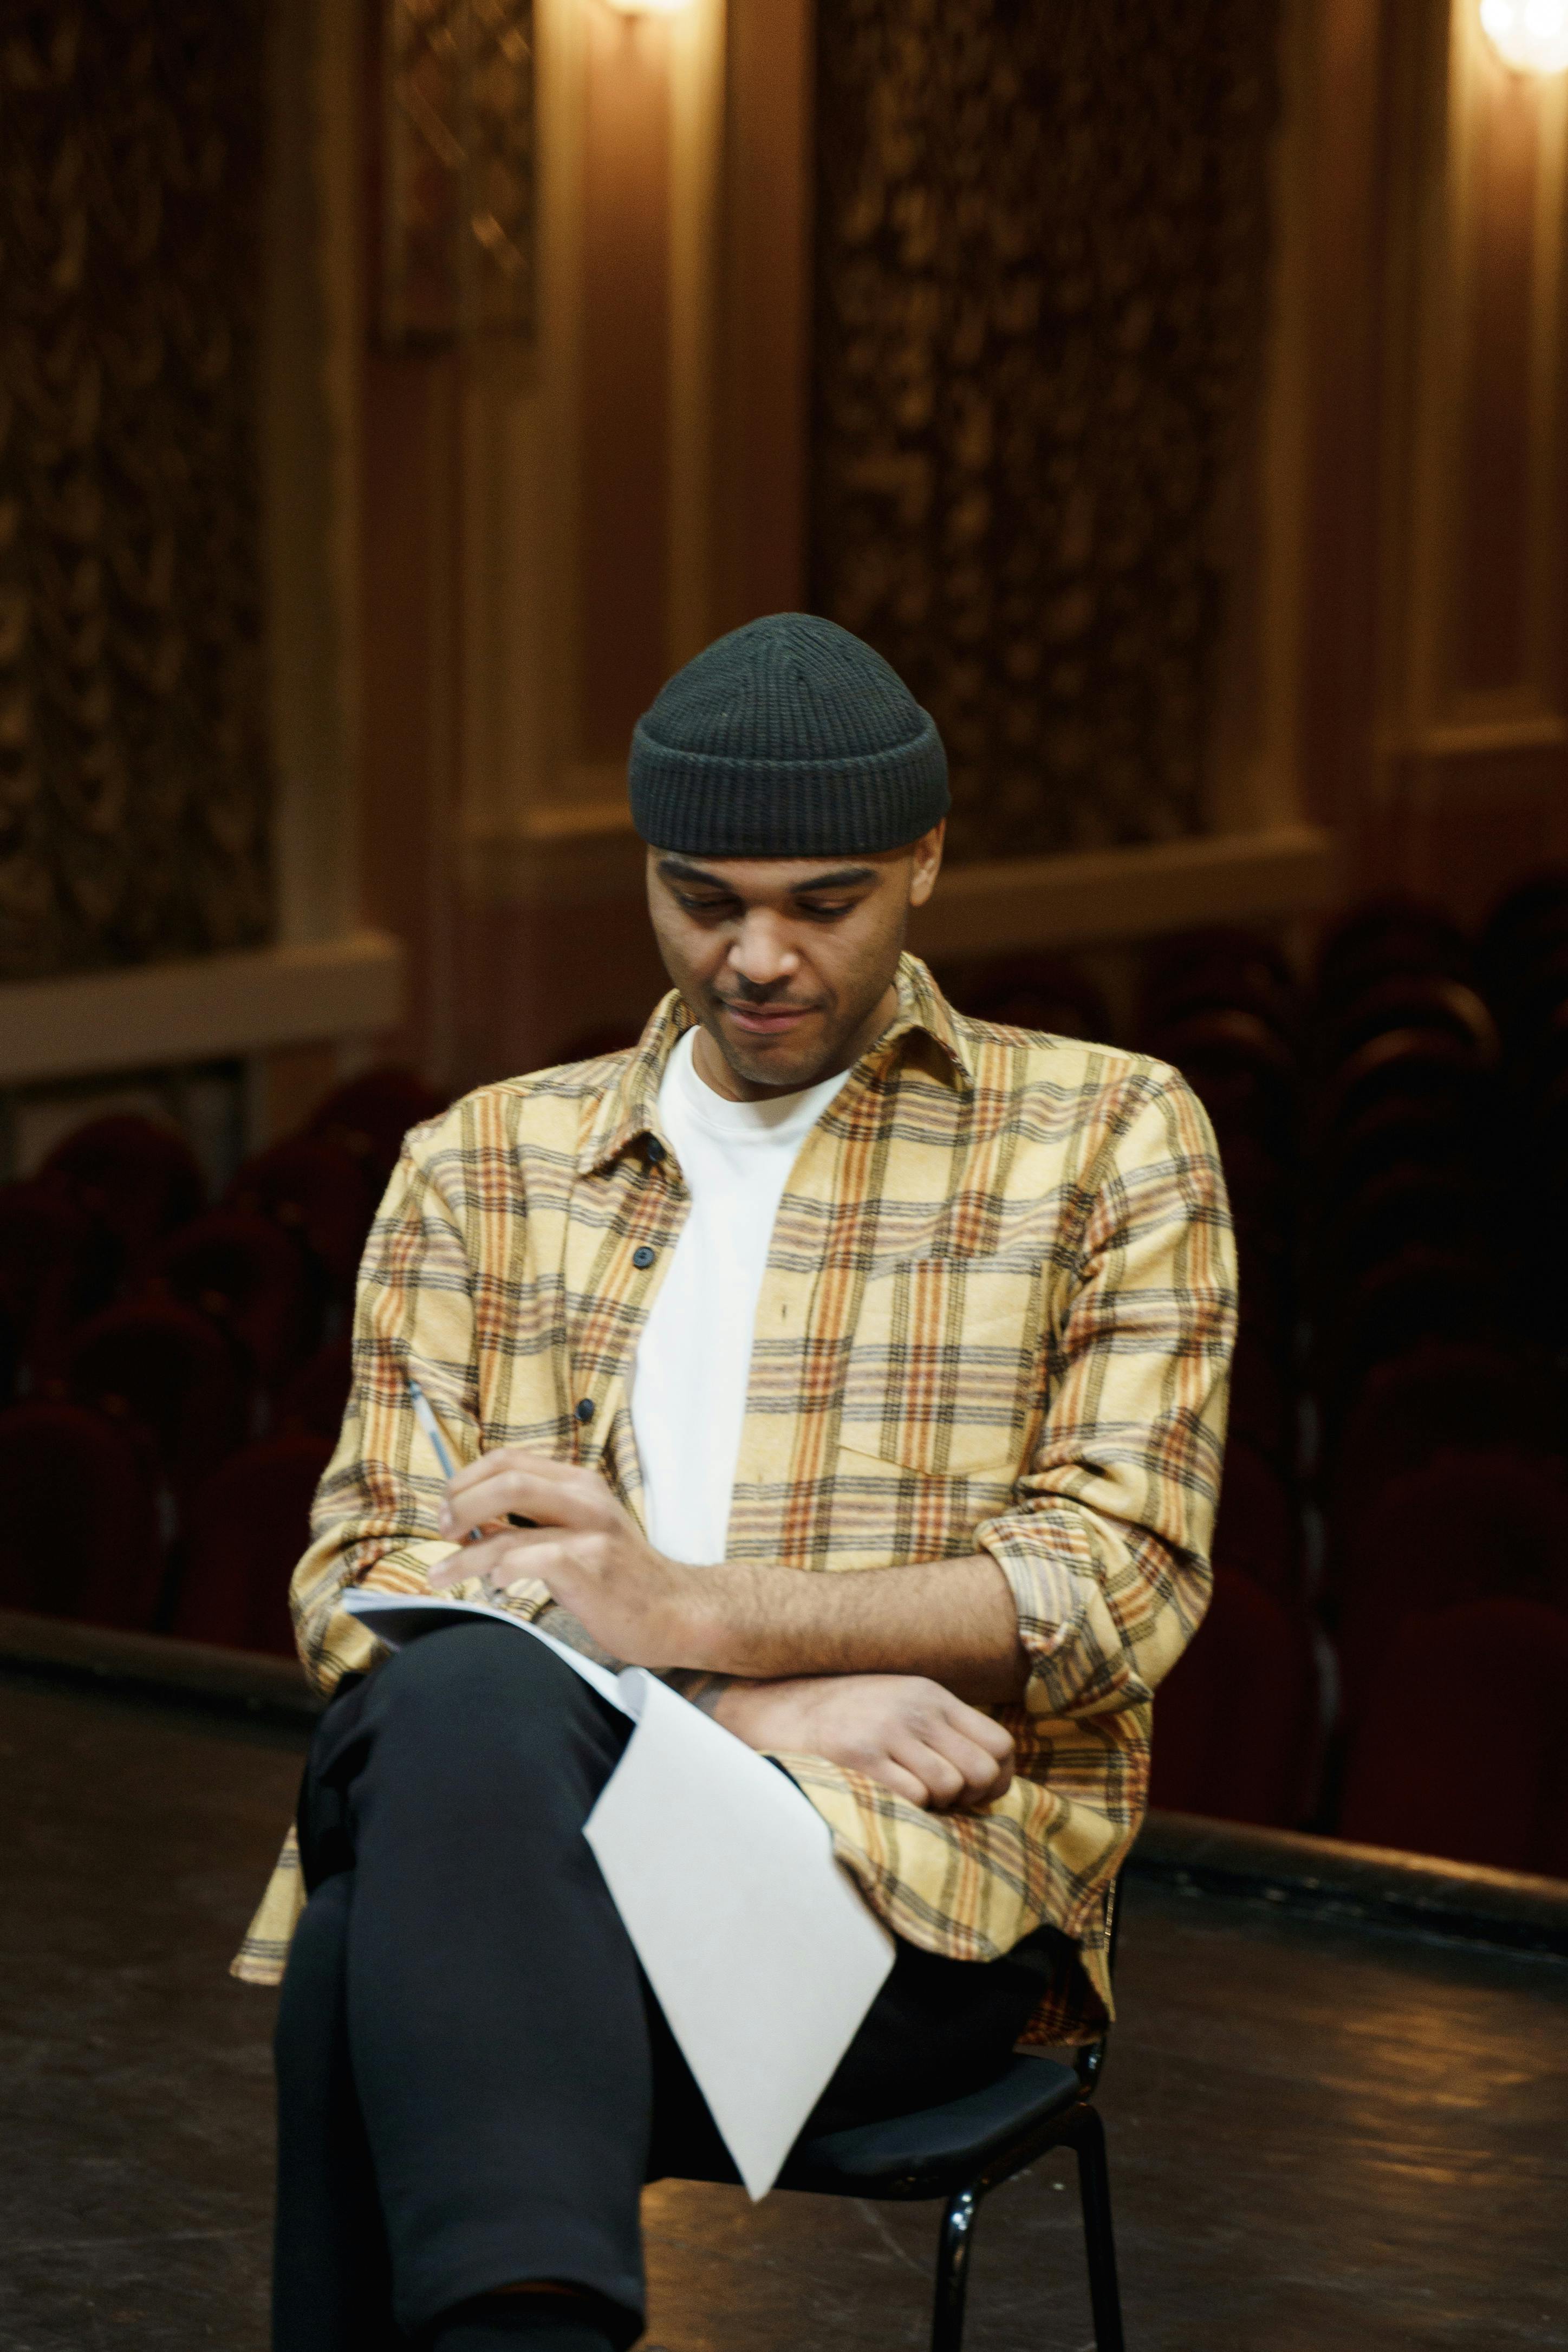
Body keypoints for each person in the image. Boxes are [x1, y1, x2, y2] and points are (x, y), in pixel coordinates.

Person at [238, 614, 1236, 2352]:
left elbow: (1117, 1584)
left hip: (917, 1903)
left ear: (929, 859)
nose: (757, 956)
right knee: (450, 1733)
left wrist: (687, 1616)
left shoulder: (1108, 1133)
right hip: (544, 1837)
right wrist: (733, 1706)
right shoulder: (483, 1164)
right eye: (703, 899)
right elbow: (358, 1585)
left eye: (823, 902)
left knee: (362, 1960)